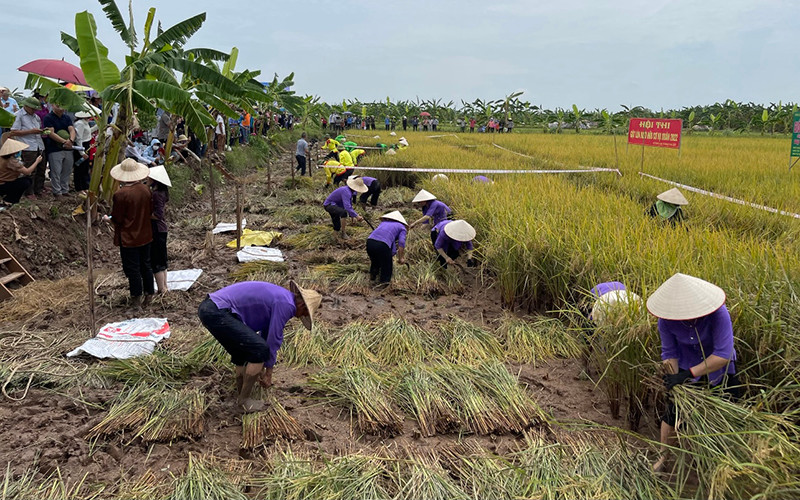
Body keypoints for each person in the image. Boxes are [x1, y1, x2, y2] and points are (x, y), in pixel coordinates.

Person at [646, 273, 740, 473]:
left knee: (723, 411)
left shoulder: (718, 314)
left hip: (720, 369)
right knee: (672, 414)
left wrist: (689, 373)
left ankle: (721, 460)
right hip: (686, 365)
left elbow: (722, 354)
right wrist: (673, 379)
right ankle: (663, 458)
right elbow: (669, 353)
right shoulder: (666, 321)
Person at [197, 280, 321, 412]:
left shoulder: (282, 297)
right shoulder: (287, 304)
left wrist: (261, 365)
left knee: (243, 352)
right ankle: (244, 402)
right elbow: (274, 338)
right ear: (302, 305)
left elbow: (266, 333)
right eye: (304, 314)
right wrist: (268, 372)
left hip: (210, 308)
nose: (300, 316)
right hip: (218, 310)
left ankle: (240, 393)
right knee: (260, 349)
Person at [109, 159, 154, 308]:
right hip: (146, 234)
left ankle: (136, 300)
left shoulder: (120, 194)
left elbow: (117, 218)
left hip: (129, 237)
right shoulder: (146, 189)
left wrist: (108, 219)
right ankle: (149, 294)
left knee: (133, 269)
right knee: (146, 265)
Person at [9, 97, 47, 199]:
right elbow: (14, 131)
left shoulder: (36, 117)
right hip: (27, 146)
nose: (34, 110)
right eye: (32, 108)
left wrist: (42, 131)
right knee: (30, 170)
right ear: (26, 106)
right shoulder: (18, 115)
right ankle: (29, 192)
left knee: (41, 169)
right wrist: (31, 131)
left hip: (39, 145)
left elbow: (37, 130)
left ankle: (38, 189)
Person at [42, 104, 76, 197]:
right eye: (58, 106)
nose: (61, 109)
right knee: (56, 171)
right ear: (53, 106)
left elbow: (72, 130)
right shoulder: (48, 118)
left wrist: (71, 140)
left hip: (68, 148)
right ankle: (57, 191)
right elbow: (50, 133)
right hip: (54, 148)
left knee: (67, 170)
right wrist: (64, 141)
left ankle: (65, 189)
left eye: (62, 106)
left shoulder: (67, 117)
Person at [147, 166, 171, 294]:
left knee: (156, 260)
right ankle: (164, 287)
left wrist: (144, 215)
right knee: (162, 259)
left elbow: (158, 214)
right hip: (161, 229)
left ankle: (162, 288)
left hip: (157, 229)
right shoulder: (161, 193)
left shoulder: (156, 194)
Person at [366, 211, 407, 285]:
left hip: (369, 242)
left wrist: (390, 254)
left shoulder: (383, 223)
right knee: (387, 265)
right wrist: (401, 258)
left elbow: (391, 243)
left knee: (375, 260)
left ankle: (373, 277)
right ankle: (384, 283)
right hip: (382, 245)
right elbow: (401, 243)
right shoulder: (402, 228)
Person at [0, 139, 41, 206]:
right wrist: (37, 161)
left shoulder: (2, 158)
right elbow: (27, 172)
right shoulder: (12, 162)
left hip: (3, 183)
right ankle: (10, 200)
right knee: (26, 181)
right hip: (4, 185)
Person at [72, 111, 95, 193]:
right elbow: (79, 138)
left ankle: (85, 186)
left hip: (86, 145)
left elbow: (88, 133)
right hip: (81, 146)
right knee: (80, 168)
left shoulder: (85, 123)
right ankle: (79, 187)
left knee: (85, 167)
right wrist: (82, 152)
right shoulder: (80, 123)